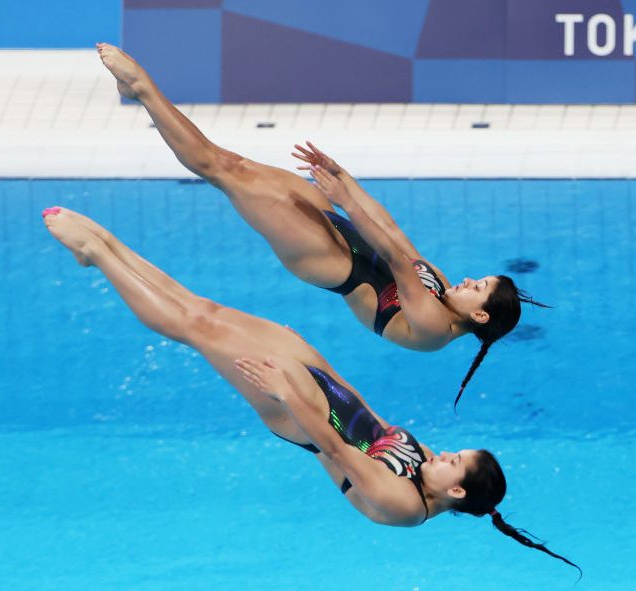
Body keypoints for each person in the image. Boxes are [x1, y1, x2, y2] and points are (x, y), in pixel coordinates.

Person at [41, 206, 578, 574]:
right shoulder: (432, 475)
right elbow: (375, 422)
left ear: (455, 491)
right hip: (326, 391)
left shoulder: (404, 505)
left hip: (301, 417)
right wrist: (318, 365)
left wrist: (288, 389)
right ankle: (105, 248)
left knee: (196, 330)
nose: (444, 454)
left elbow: (339, 448)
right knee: (207, 312)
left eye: (454, 460)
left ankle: (102, 254)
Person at [94, 43, 548, 408]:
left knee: (220, 171)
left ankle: (144, 90)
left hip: (330, 263)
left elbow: (392, 258)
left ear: (480, 315)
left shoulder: (434, 330)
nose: (469, 280)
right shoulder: (446, 289)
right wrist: (343, 177)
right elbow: (394, 234)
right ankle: (143, 93)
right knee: (234, 163)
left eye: (479, 287)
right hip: (346, 232)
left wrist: (345, 199)